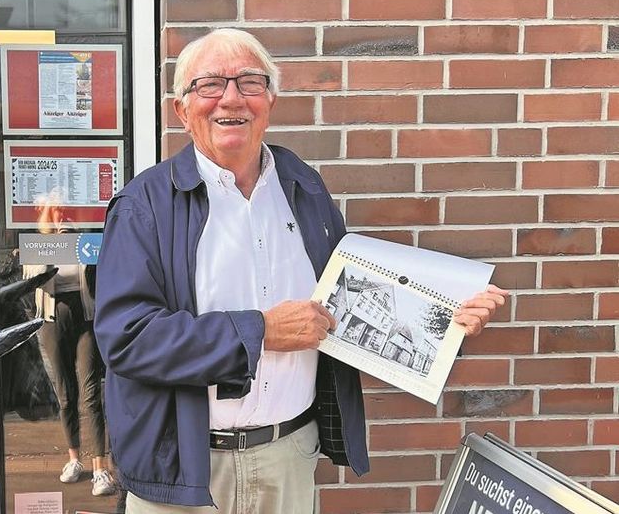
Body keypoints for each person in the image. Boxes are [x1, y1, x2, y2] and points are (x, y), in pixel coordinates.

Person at [93, 28, 508, 513]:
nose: (232, 97)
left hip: (288, 458)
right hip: (184, 470)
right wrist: (260, 331)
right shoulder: (144, 206)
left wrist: (443, 321)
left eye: (250, 82)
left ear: (270, 100)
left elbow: (352, 303)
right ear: (182, 110)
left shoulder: (304, 188)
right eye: (210, 84)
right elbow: (126, 338)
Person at [25, 197, 117, 497]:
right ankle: (74, 458)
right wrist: (53, 247)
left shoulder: (85, 240)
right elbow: (31, 281)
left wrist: (77, 245)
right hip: (53, 319)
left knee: (91, 393)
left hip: (86, 316)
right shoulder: (38, 244)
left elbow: (104, 273)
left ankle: (101, 469)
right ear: (45, 215)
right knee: (66, 394)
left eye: (66, 209)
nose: (62, 214)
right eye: (56, 209)